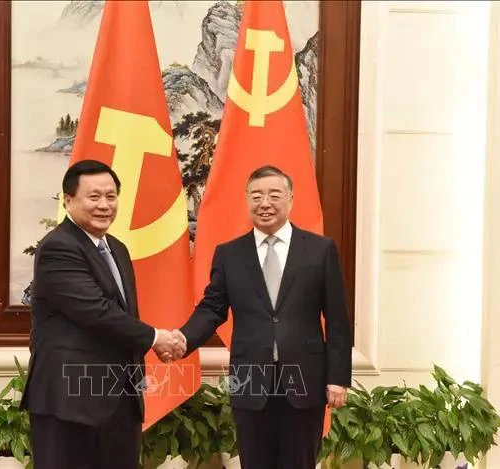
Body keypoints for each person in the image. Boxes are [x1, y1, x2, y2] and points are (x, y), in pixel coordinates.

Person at [168, 165, 352, 469]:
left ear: (290, 199)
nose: (264, 203)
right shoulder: (229, 254)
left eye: (274, 195)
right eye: (256, 196)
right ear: (247, 200)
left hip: (305, 378)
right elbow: (212, 308)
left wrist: (337, 378)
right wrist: (183, 338)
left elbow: (336, 319)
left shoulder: (320, 250)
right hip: (251, 379)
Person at [20, 160, 183, 469]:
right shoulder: (58, 247)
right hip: (70, 402)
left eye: (111, 196)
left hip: (120, 399)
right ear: (68, 200)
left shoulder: (117, 248)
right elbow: (96, 311)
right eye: (94, 197)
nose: (104, 205)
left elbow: (123, 313)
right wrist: (156, 338)